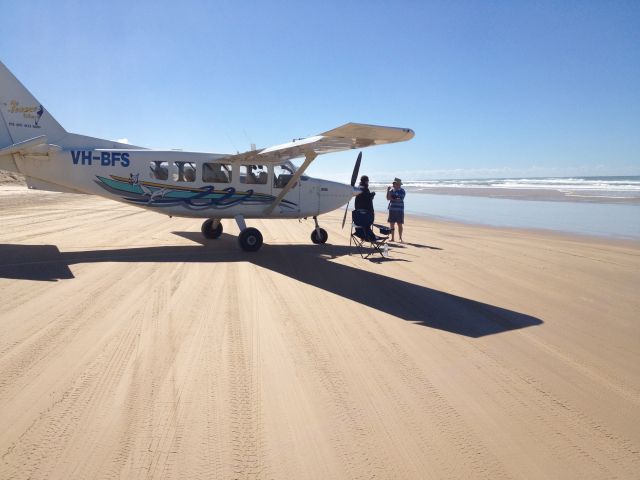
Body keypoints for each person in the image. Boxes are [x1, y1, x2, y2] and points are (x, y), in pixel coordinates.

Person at [386, 177, 405, 242]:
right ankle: (392, 238)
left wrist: (393, 198)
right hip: (392, 209)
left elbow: (400, 198)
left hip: (399, 209)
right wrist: (388, 191)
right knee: (392, 224)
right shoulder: (391, 190)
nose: (394, 184)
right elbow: (388, 198)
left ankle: (400, 238)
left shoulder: (402, 190)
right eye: (394, 183)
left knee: (400, 224)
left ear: (399, 184)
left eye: (396, 184)